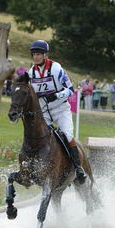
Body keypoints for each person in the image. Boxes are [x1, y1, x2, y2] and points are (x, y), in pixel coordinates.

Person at [27, 40, 86, 184]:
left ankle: (78, 167)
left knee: (67, 134)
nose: (36, 57)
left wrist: (56, 95)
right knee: (37, 136)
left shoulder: (56, 69)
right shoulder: (31, 73)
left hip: (60, 109)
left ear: (45, 55)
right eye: (34, 54)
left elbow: (70, 89)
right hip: (44, 112)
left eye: (39, 54)